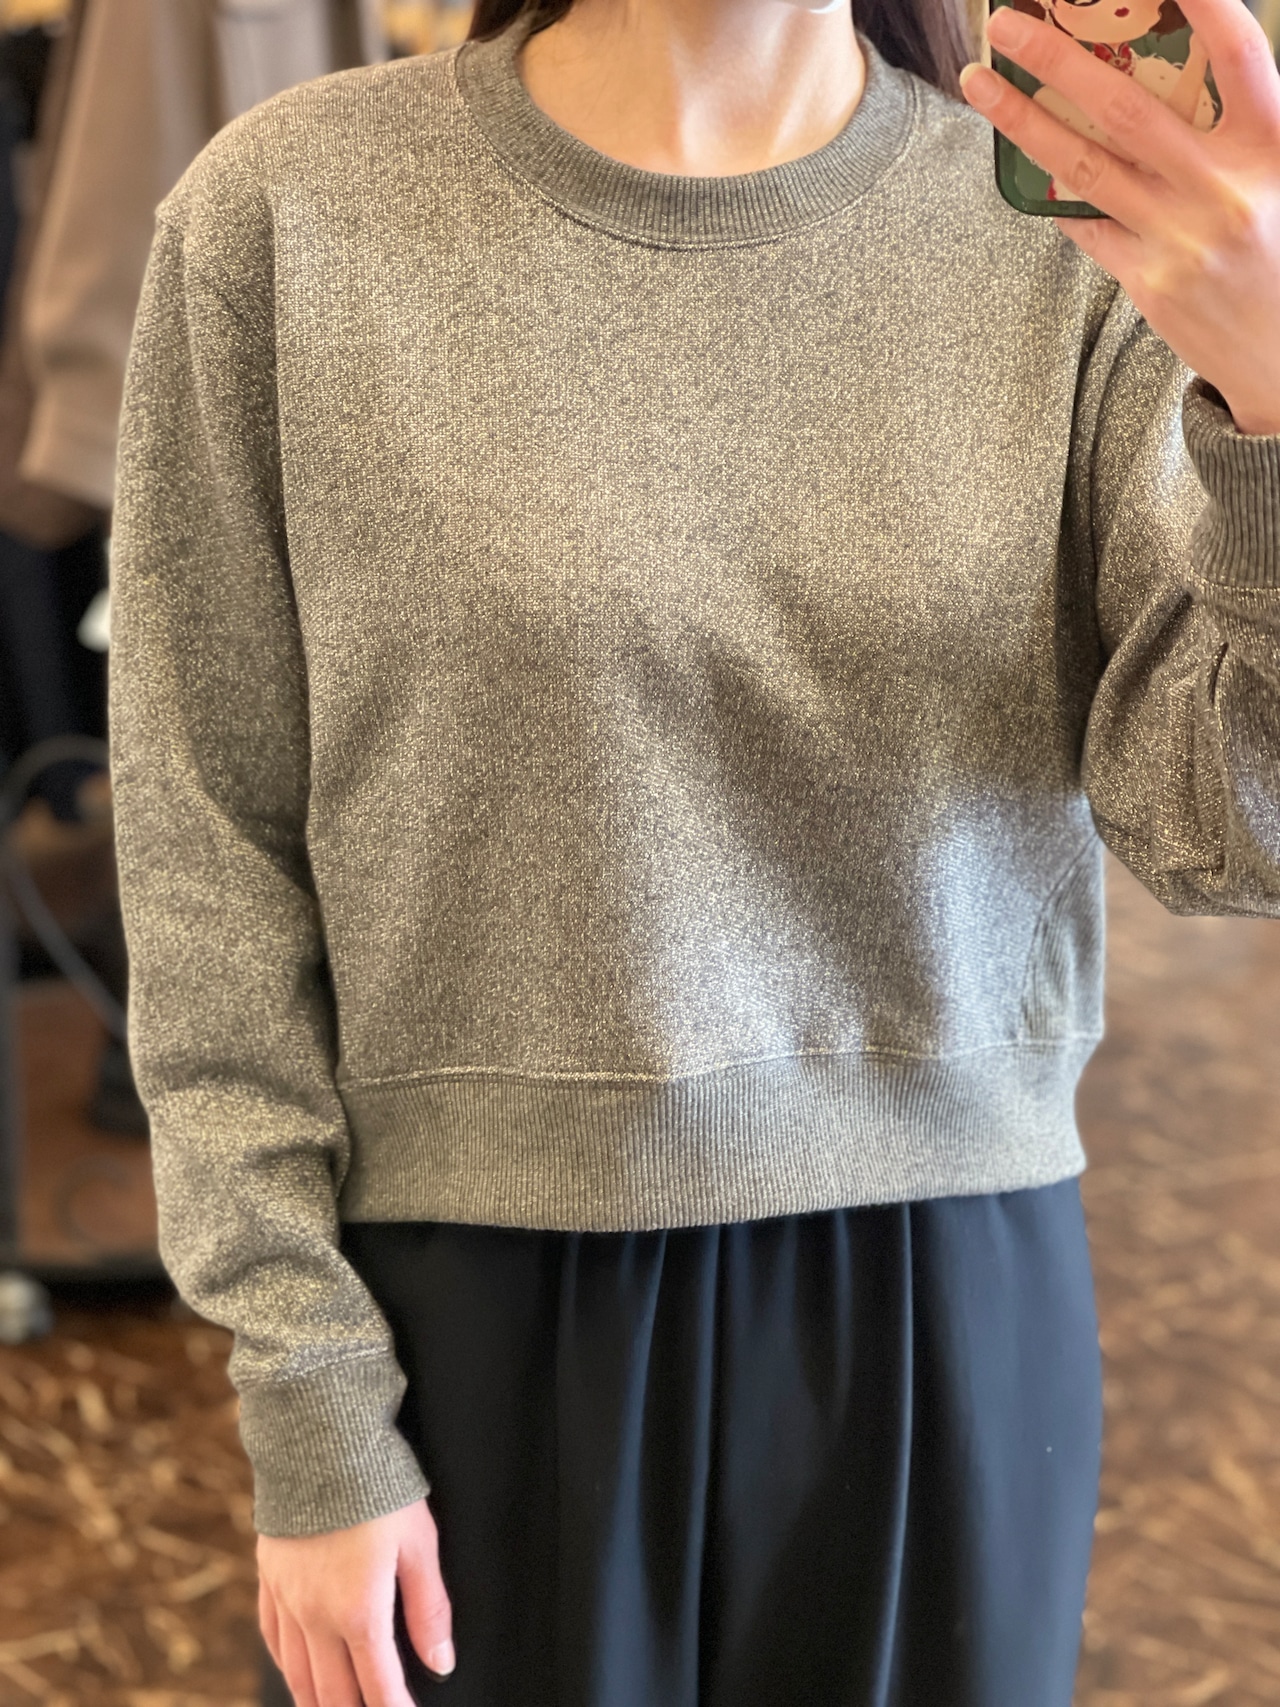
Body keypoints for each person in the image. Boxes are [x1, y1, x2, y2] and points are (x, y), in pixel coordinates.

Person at [106, 0, 1280, 1701]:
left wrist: (1271, 402)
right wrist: (307, 1390)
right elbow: (205, 851)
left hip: (943, 1303)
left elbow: (1232, 832)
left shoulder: (1069, 246)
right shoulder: (288, 214)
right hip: (463, 1305)